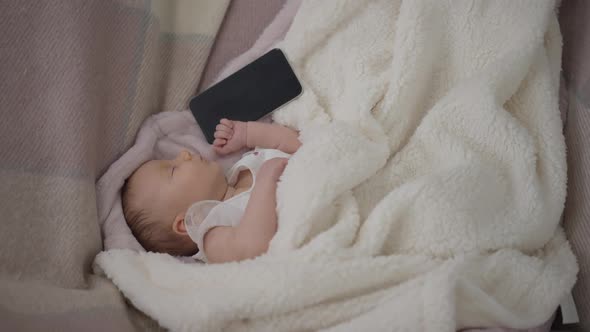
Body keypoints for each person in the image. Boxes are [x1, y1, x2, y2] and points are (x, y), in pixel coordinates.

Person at [121, 119, 301, 263]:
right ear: (185, 222)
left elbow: (299, 143)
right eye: (173, 169)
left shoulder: (241, 171)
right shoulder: (212, 235)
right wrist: (266, 182)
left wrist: (247, 133)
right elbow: (251, 248)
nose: (184, 153)